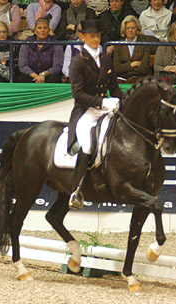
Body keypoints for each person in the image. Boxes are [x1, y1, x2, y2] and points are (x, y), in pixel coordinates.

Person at [68, 19, 125, 209]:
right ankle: (76, 191)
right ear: (82, 37)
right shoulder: (77, 61)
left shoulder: (106, 59)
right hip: (86, 112)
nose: (95, 39)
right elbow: (78, 93)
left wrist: (126, 102)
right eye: (92, 36)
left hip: (106, 111)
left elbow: (114, 88)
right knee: (87, 146)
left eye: (98, 36)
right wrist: (102, 102)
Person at [16, 17, 63, 82]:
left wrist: (43, 74)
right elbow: (22, 65)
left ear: (49, 30)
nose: (42, 30)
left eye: (45, 28)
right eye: (39, 28)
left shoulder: (55, 44)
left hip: (48, 75)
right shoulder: (27, 43)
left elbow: (57, 66)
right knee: (21, 79)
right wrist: (36, 76)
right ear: (35, 30)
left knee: (55, 79)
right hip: (31, 74)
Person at [113, 15, 151, 82]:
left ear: (137, 29)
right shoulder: (118, 45)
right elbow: (116, 68)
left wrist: (124, 68)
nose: (130, 30)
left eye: (133, 28)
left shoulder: (144, 44)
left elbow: (145, 68)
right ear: (124, 30)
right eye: (128, 28)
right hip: (122, 78)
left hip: (139, 78)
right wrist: (132, 64)